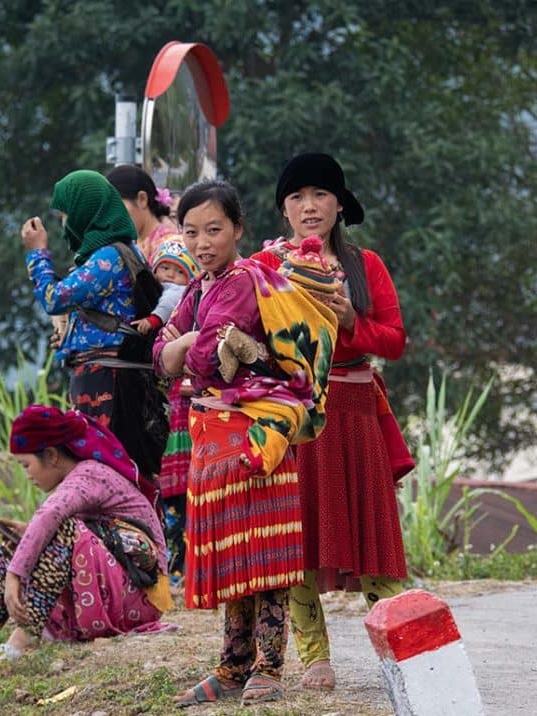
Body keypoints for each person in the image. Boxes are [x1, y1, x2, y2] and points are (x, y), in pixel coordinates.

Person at [154, 180, 337, 706]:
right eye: (191, 232)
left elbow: (202, 359)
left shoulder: (240, 284)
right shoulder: (197, 289)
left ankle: (269, 667)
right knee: (236, 559)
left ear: (238, 229)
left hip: (255, 439)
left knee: (265, 557)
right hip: (213, 442)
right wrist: (184, 347)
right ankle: (232, 666)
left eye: (214, 230)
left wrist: (185, 345)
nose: (202, 243)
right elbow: (160, 357)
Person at [252, 152, 414, 691]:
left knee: (374, 538)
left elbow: (395, 340)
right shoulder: (265, 266)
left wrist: (350, 321)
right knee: (298, 537)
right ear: (283, 211)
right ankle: (315, 657)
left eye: (320, 194)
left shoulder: (366, 266)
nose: (309, 206)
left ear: (340, 205)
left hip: (356, 413)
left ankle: (403, 654)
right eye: (296, 197)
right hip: (296, 416)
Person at [0, 405, 174, 658]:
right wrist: (26, 535)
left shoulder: (88, 475)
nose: (27, 475)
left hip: (141, 596)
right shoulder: (77, 479)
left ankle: (22, 639)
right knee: (6, 550)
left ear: (51, 455)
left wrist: (14, 575)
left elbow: (50, 516)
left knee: (62, 529)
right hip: (115, 588)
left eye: (26, 465)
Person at [21, 169, 166, 481]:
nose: (65, 225)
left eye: (66, 215)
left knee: (104, 474)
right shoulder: (107, 255)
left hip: (109, 383)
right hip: (99, 377)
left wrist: (37, 254)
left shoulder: (109, 258)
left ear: (86, 213)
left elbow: (54, 298)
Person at [132, 240, 199, 583]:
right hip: (169, 424)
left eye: (178, 271)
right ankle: (174, 572)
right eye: (164, 269)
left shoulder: (184, 307)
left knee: (188, 507)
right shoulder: (152, 307)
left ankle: (186, 571)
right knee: (171, 508)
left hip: (187, 421)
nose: (170, 277)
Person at [106, 164, 180, 260]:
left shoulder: (171, 247)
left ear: (142, 199)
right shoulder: (132, 244)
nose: (113, 217)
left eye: (118, 207)